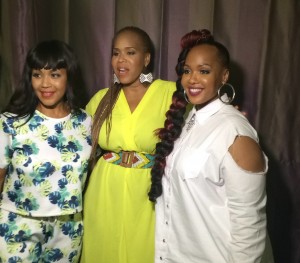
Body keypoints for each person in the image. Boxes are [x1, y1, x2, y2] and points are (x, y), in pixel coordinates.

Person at [149, 29, 272, 262]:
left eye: (204, 71)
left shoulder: (236, 133)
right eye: (187, 71)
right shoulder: (187, 123)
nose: (192, 79)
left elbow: (249, 227)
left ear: (224, 76)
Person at [80, 26, 176, 263]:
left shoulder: (170, 93)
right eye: (115, 53)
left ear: (146, 58)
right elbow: (71, 139)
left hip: (150, 192)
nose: (120, 60)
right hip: (104, 191)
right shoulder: (101, 99)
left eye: (130, 52)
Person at [0, 40, 92, 262]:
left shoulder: (85, 121)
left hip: (68, 229)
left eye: (55, 75)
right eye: (37, 74)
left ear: (68, 76)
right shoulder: (10, 123)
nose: (45, 84)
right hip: (18, 225)